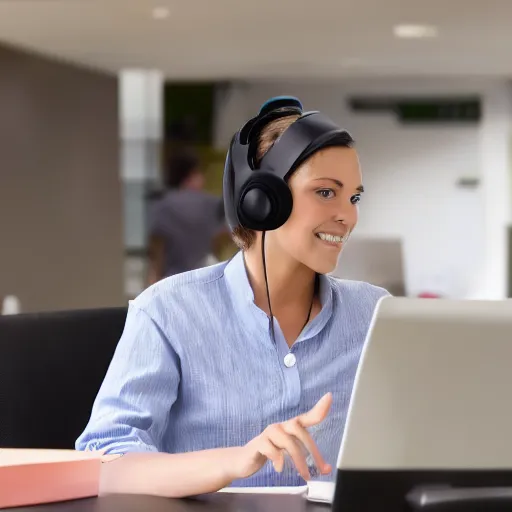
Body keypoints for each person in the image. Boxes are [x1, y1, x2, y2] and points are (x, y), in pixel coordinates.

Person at [76, 96, 389, 498]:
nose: (349, 215)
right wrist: (234, 461)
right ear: (262, 200)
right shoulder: (168, 311)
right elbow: (105, 464)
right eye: (326, 193)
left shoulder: (374, 314)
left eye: (355, 197)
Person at [147, 148, 227, 284]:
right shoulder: (210, 203)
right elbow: (222, 237)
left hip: (172, 281)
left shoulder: (163, 204)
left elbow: (157, 250)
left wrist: (152, 281)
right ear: (192, 173)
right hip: (205, 277)